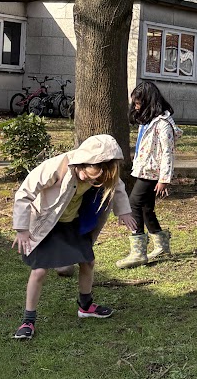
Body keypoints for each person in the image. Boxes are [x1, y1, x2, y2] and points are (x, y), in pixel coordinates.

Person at [10, 135, 137, 339]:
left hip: (73, 222)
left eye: (95, 180)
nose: (91, 181)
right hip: (47, 223)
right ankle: (28, 320)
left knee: (88, 261)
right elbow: (24, 193)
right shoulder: (56, 167)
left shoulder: (101, 173)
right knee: (39, 271)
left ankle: (85, 306)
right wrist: (21, 229)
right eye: (88, 177)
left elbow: (117, 186)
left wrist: (124, 211)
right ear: (82, 163)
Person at [116, 81, 181, 268]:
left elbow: (168, 152)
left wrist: (164, 179)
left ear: (148, 102)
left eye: (138, 103)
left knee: (133, 203)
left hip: (152, 173)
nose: (136, 107)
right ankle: (162, 246)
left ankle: (138, 252)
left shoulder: (163, 124)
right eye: (134, 103)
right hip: (145, 169)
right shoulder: (148, 121)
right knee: (146, 208)